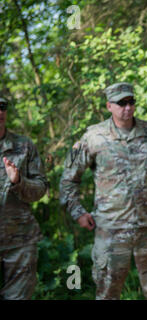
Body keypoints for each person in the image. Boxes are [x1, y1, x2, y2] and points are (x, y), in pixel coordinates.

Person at [60, 82, 147, 300]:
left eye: (131, 102)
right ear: (109, 106)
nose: (127, 107)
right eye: (121, 103)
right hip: (111, 229)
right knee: (107, 293)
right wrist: (77, 212)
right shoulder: (93, 137)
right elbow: (69, 178)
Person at [0, 96, 48, 299]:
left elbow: (40, 189)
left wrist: (19, 181)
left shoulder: (24, 146)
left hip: (19, 243)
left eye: (2, 107)